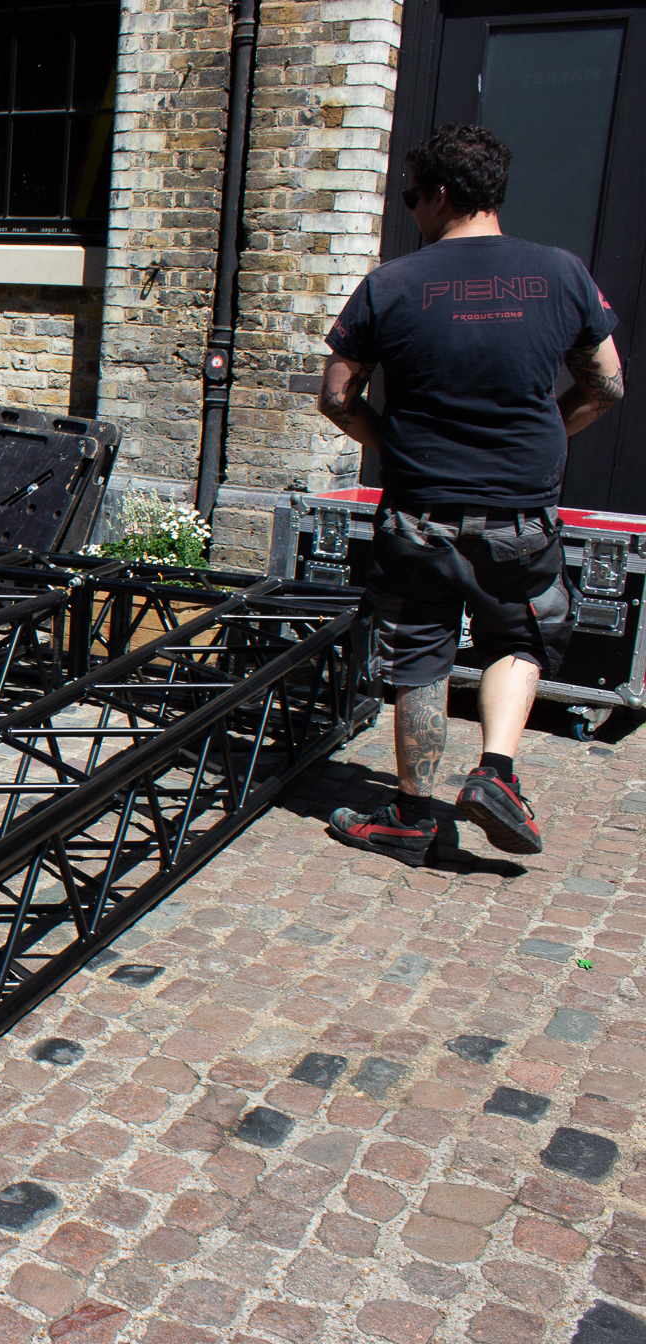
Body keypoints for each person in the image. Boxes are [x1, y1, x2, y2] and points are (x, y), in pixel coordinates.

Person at [318, 123, 625, 866]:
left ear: (443, 195)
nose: (410, 209)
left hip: (420, 512)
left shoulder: (391, 283)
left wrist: (390, 444)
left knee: (420, 652)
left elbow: (335, 395)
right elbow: (609, 383)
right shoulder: (561, 273)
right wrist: (553, 425)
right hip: (520, 509)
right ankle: (498, 772)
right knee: (519, 635)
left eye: (412, 195)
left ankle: (411, 816)